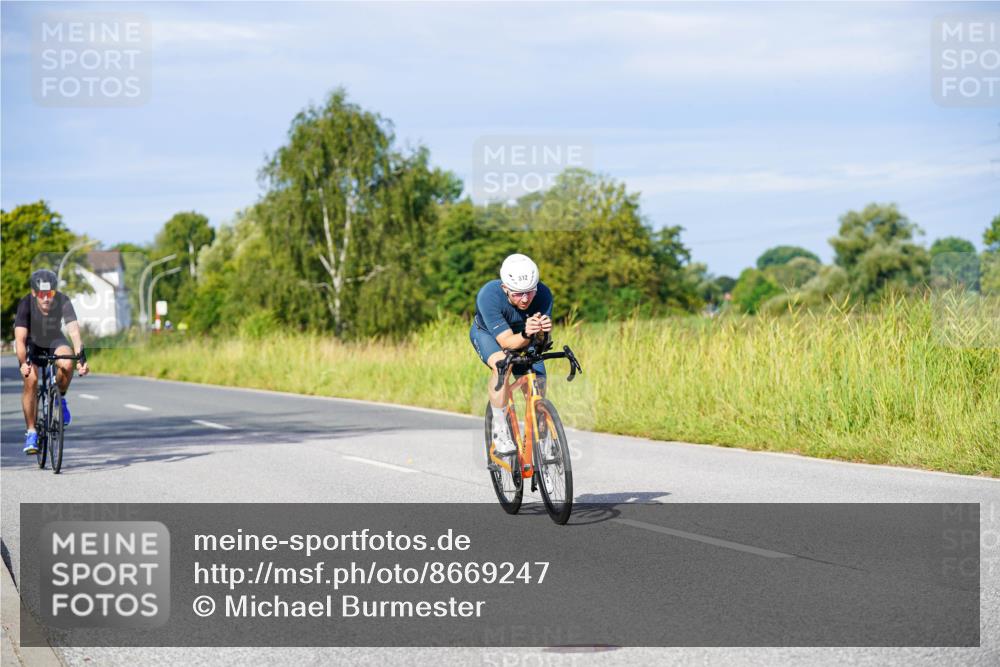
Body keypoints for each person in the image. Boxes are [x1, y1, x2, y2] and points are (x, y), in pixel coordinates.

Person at [469, 254, 553, 455]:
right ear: (505, 288)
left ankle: (542, 438)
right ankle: (500, 430)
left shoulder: (543, 294)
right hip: (490, 335)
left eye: (529, 292)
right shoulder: (488, 295)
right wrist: (527, 333)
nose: (525, 299)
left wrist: (543, 333)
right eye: (517, 294)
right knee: (502, 365)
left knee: (537, 386)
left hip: (526, 335)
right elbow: (507, 342)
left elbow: (542, 343)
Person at [14, 269, 89, 455]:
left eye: (50, 293)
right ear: (34, 293)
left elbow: (74, 333)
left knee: (67, 363)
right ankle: (31, 432)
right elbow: (20, 340)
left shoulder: (63, 301)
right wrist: (23, 362)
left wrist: (81, 359)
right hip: (32, 343)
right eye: (41, 294)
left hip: (54, 340)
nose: (46, 298)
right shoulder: (25, 304)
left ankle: (60, 399)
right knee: (30, 380)